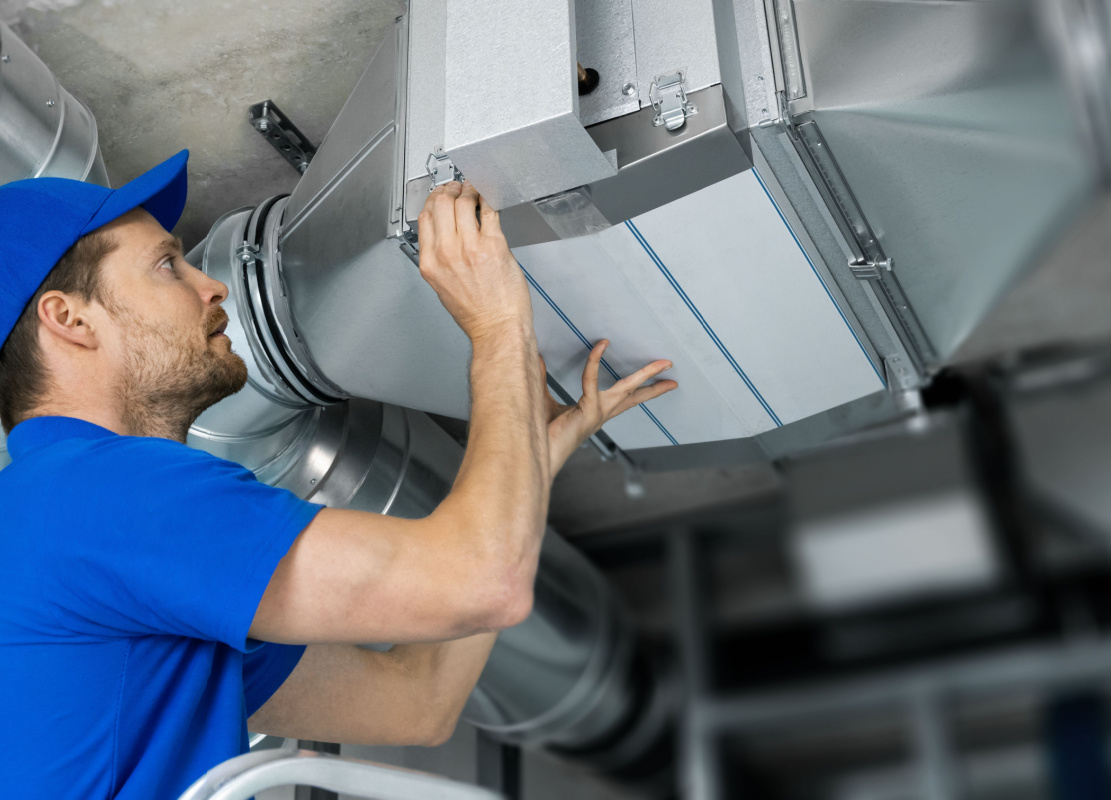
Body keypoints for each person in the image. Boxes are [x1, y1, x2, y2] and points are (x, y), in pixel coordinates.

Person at [0, 150, 677, 798]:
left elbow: (415, 702)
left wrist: (532, 456)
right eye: (167, 266)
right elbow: (481, 583)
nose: (212, 286)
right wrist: (498, 320)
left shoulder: (69, 526)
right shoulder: (100, 497)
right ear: (69, 319)